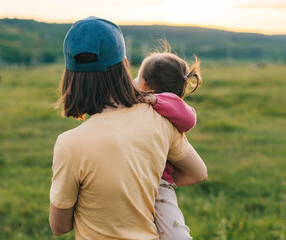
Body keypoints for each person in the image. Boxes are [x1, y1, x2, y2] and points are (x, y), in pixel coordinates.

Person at [49, 16, 207, 240]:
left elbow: (59, 226)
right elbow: (198, 173)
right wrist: (145, 185)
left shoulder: (69, 144)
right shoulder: (158, 118)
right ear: (124, 64)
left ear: (70, 77)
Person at [134, 50, 202, 239]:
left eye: (137, 76)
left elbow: (189, 118)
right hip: (136, 182)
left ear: (145, 84)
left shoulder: (168, 106)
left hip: (160, 186)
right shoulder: (143, 105)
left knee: (176, 235)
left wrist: (156, 100)